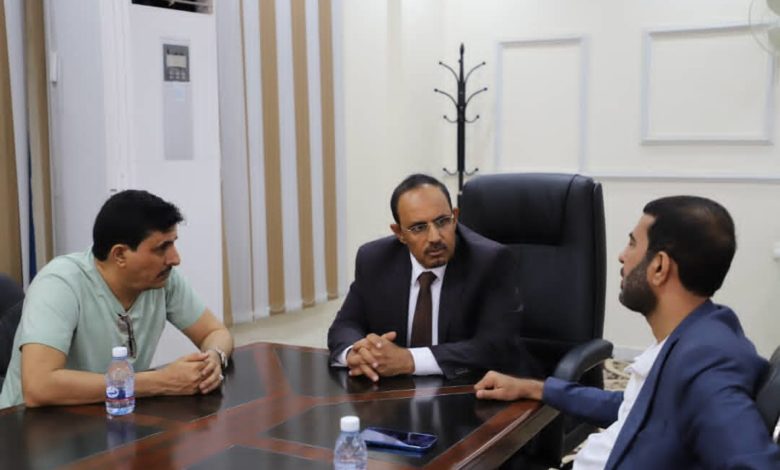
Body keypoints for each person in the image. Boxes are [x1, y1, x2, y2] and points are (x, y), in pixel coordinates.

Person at [474, 196, 780, 468]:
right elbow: (635, 408)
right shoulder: (696, 332)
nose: (622, 255)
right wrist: (535, 388)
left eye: (632, 243)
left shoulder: (708, 361)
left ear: (659, 267)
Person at [0, 190, 234, 409]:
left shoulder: (163, 281)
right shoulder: (60, 284)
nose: (175, 259)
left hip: (110, 414)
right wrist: (160, 381)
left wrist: (213, 358)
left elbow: (215, 333)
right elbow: (39, 387)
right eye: (162, 247)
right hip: (27, 426)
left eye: (173, 243)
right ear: (120, 254)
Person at [327, 174, 531, 381]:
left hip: (470, 386)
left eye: (442, 222)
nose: (434, 237)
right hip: (396, 391)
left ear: (455, 217)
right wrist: (356, 354)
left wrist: (409, 360)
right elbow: (345, 325)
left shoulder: (489, 261)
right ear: (399, 233)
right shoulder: (374, 259)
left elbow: (496, 346)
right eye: (419, 228)